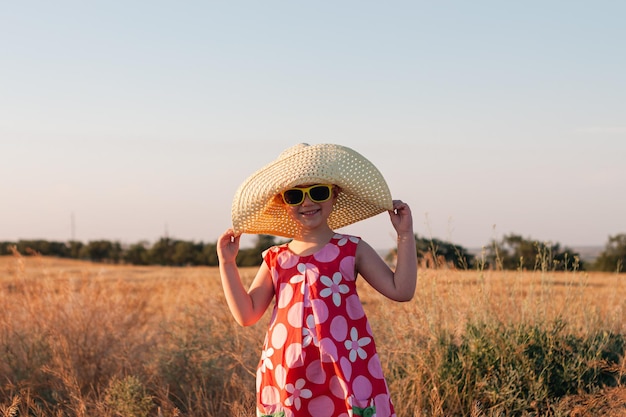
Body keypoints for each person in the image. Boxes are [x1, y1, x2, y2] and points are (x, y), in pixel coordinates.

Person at [217, 143, 417, 417]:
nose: (307, 202)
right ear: (282, 202)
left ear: (334, 195)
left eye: (318, 192)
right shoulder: (276, 258)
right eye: (294, 195)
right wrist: (227, 263)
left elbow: (401, 290)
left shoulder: (352, 249)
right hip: (289, 373)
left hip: (345, 368)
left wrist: (405, 235)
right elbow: (246, 314)